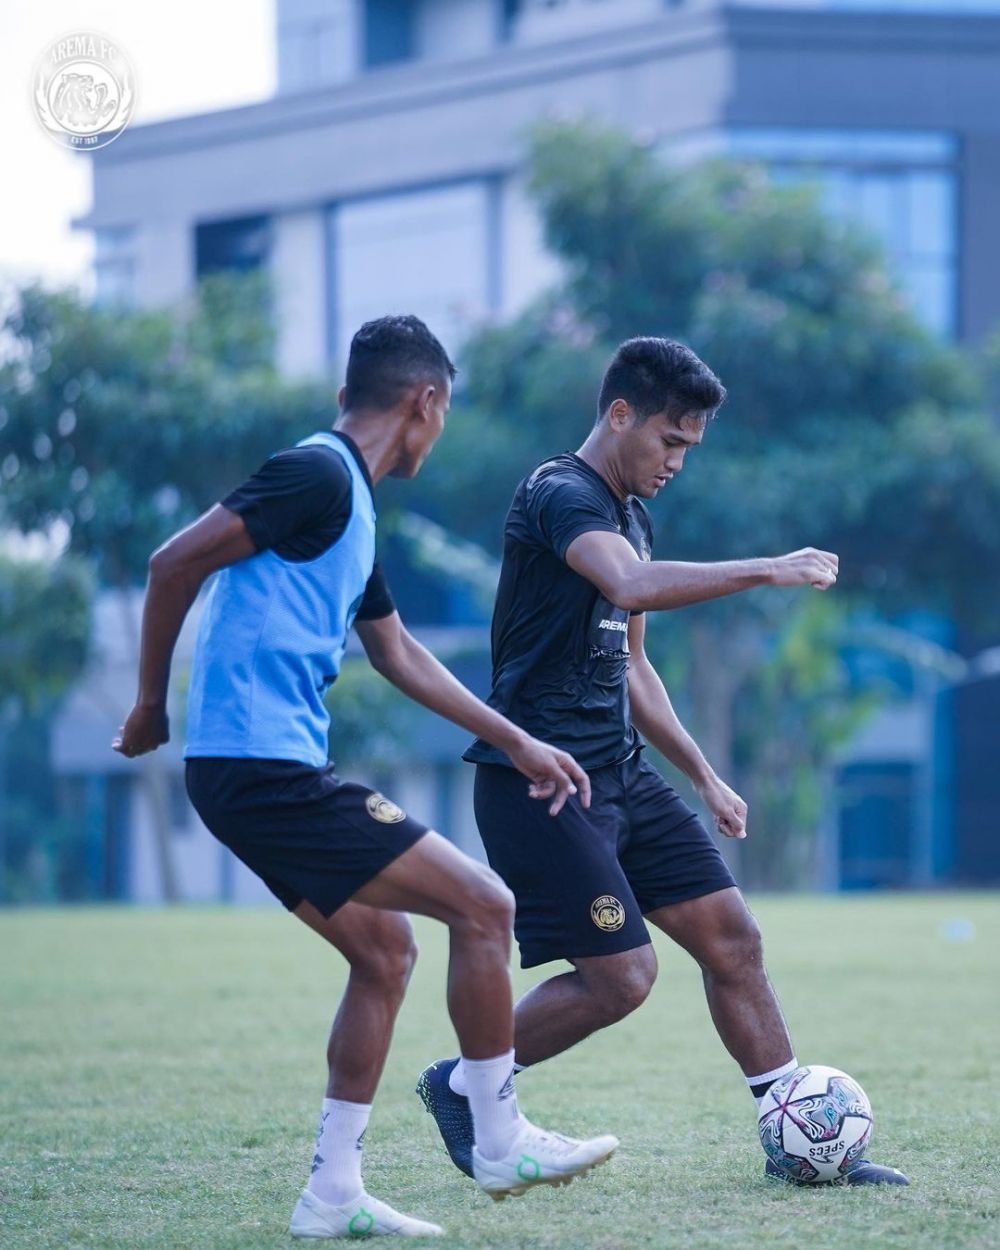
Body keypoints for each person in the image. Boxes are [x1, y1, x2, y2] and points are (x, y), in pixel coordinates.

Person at [112, 315, 619, 1240]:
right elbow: (173, 560)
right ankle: (499, 1136)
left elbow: (398, 655)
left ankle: (332, 1195)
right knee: (486, 906)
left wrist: (516, 740)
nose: (441, 429)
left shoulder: (351, 501)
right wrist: (151, 704)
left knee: (385, 955)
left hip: (262, 770)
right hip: (261, 769)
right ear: (424, 401)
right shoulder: (313, 474)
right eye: (446, 412)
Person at [417, 336, 908, 1188]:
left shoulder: (631, 515)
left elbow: (634, 663)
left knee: (734, 940)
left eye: (689, 447)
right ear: (619, 414)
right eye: (669, 441)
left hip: (624, 772)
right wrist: (767, 567)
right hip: (541, 781)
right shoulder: (559, 494)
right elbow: (633, 588)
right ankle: (461, 1084)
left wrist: (704, 774)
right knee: (622, 979)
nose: (676, 460)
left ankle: (796, 1134)